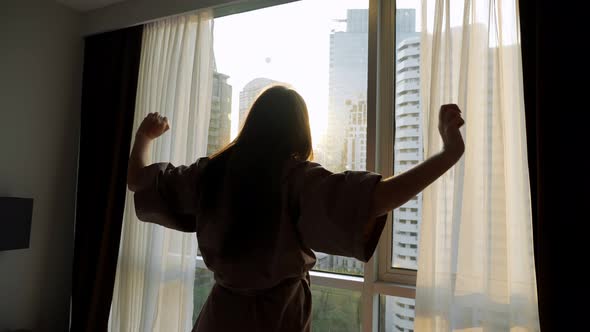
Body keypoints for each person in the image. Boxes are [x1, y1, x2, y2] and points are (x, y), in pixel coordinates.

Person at [127, 85, 465, 332]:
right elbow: (378, 198)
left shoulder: (210, 173)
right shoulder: (295, 178)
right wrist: (448, 152)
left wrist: (144, 135)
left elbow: (138, 180)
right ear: (299, 131)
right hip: (276, 318)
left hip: (220, 315)